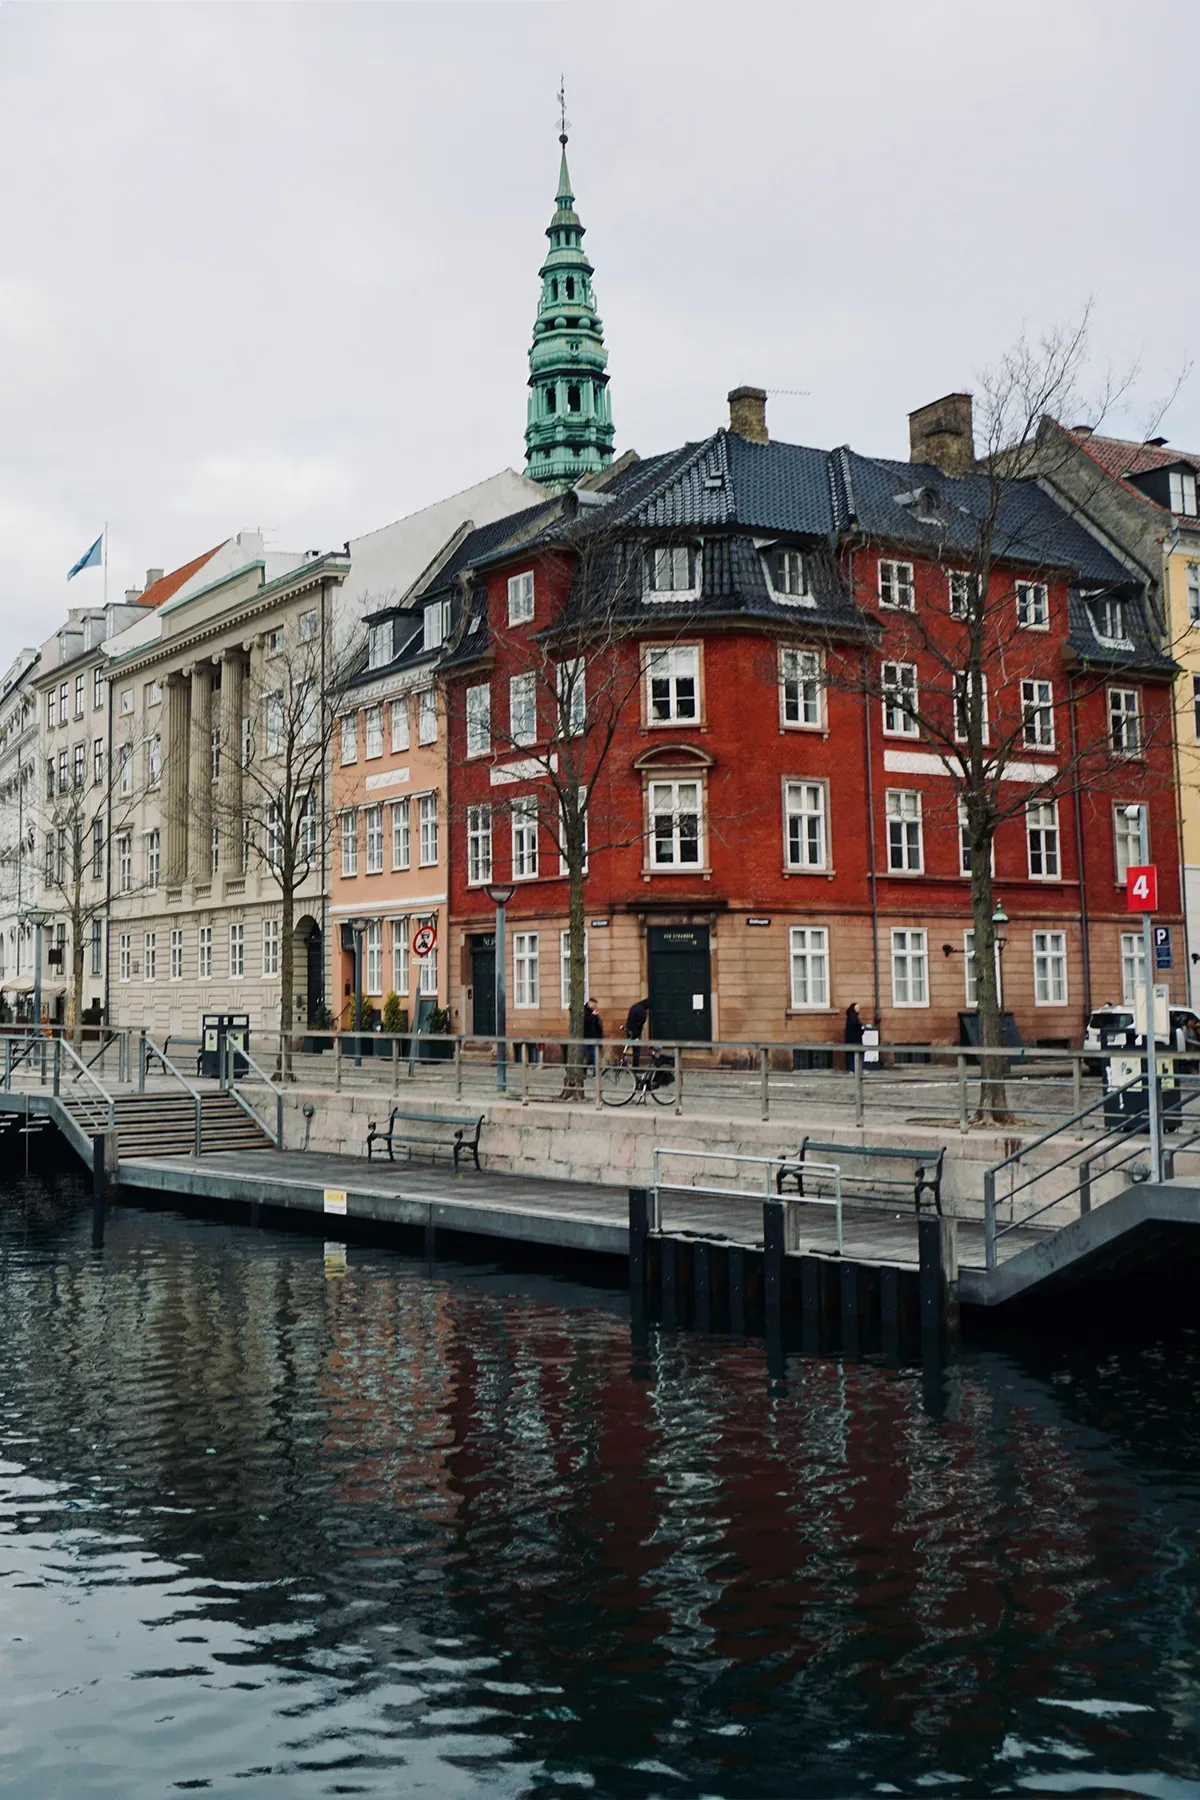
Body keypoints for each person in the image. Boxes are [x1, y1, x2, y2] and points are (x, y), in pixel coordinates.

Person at [625, 996, 650, 1068]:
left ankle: (629, 1064)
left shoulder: (635, 1006)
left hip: (630, 1030)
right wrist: (646, 1015)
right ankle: (635, 1067)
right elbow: (642, 1020)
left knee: (632, 1048)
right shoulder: (641, 1010)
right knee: (637, 1050)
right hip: (635, 1033)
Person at [582, 998, 603, 1072]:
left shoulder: (594, 1012)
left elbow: (598, 1025)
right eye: (594, 1005)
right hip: (586, 1037)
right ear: (590, 1004)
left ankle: (596, 1072)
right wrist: (593, 1015)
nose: (595, 1007)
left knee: (595, 1055)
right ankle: (583, 1071)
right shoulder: (584, 1011)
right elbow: (586, 1022)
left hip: (594, 1037)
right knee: (584, 1055)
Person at [844, 1001, 865, 1074]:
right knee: (857, 1054)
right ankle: (856, 1069)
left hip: (851, 1039)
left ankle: (853, 1069)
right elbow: (856, 1026)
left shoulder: (850, 1016)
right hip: (855, 1039)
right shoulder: (853, 1017)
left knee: (852, 1054)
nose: (858, 1009)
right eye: (857, 1007)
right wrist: (862, 1029)